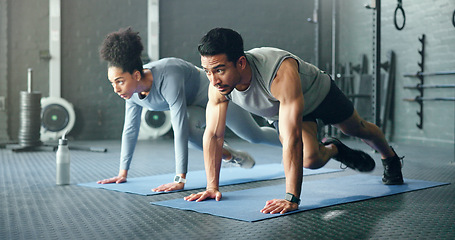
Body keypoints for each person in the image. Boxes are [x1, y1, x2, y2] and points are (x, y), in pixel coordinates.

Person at [184, 27, 404, 214]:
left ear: (240, 63)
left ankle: (390, 158)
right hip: (284, 111)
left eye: (219, 70)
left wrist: (291, 197)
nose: (213, 80)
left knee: (356, 128)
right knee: (311, 160)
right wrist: (212, 186)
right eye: (207, 72)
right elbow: (213, 135)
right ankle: (335, 149)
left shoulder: (278, 72)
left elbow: (292, 138)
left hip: (319, 93)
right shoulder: (217, 87)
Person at [97, 27, 281, 192]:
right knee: (190, 128)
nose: (116, 89)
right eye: (112, 83)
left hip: (217, 95)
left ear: (136, 75)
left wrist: (179, 178)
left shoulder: (168, 74)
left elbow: (178, 126)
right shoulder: (131, 94)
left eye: (119, 82)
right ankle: (232, 156)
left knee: (254, 136)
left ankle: (290, 142)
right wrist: (123, 173)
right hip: (194, 110)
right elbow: (130, 130)